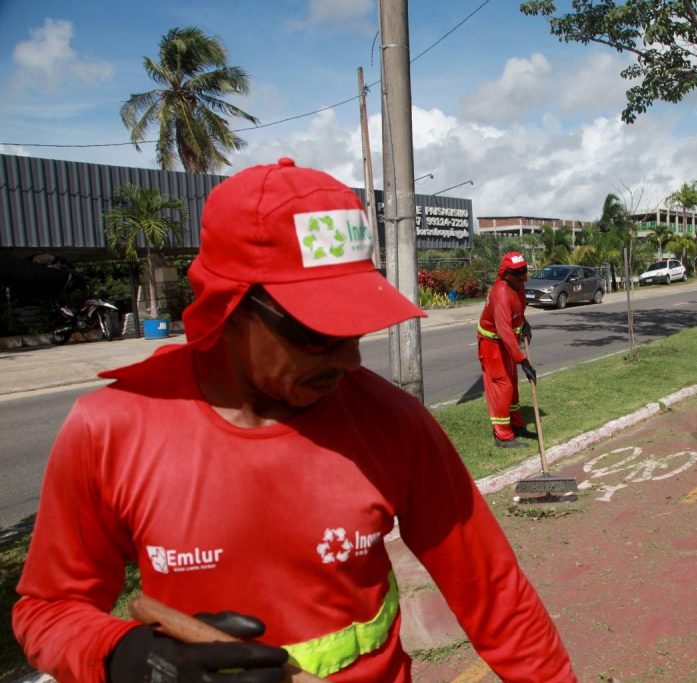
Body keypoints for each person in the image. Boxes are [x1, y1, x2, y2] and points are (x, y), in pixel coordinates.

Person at [13, 159, 576, 683]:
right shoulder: (110, 429)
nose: (349, 359)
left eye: (355, 327)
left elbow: (496, 596)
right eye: (316, 332)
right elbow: (48, 610)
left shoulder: (394, 423)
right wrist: (124, 656)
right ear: (230, 307)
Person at [476, 252, 537, 448]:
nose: (522, 277)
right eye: (517, 273)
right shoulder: (501, 293)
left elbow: (518, 311)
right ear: (506, 274)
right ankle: (502, 436)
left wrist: (524, 323)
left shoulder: (518, 286)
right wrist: (523, 361)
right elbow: (504, 332)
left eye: (524, 271)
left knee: (512, 384)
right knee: (503, 385)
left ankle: (516, 425)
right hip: (492, 344)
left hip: (506, 343)